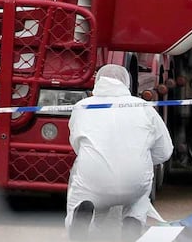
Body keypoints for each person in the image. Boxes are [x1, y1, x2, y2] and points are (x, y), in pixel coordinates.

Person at [66, 64, 173, 241]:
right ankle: (133, 221)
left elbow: (78, 146)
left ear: (97, 82)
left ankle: (81, 221)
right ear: (126, 83)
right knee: (139, 200)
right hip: (135, 181)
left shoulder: (82, 107)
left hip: (93, 180)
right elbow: (165, 151)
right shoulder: (143, 107)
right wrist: (141, 158)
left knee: (81, 194)